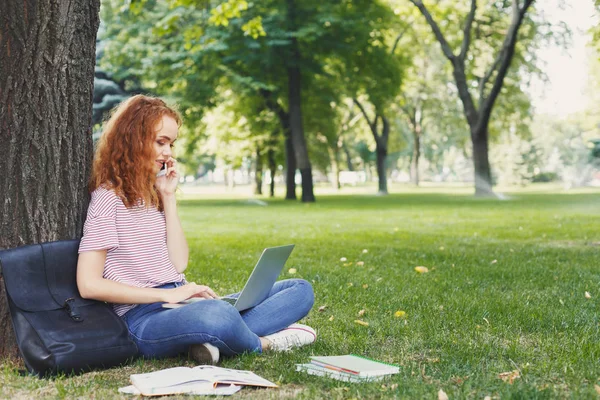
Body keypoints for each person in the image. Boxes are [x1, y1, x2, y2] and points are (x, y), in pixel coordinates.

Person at [76, 95, 316, 364]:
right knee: (217, 315)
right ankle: (263, 343)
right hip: (142, 318)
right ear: (132, 139)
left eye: (171, 143)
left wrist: (168, 198)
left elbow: (179, 263)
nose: (168, 152)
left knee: (300, 289)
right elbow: (89, 284)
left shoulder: (154, 195)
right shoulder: (108, 198)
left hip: (182, 303)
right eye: (160, 142)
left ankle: (209, 338)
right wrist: (168, 294)